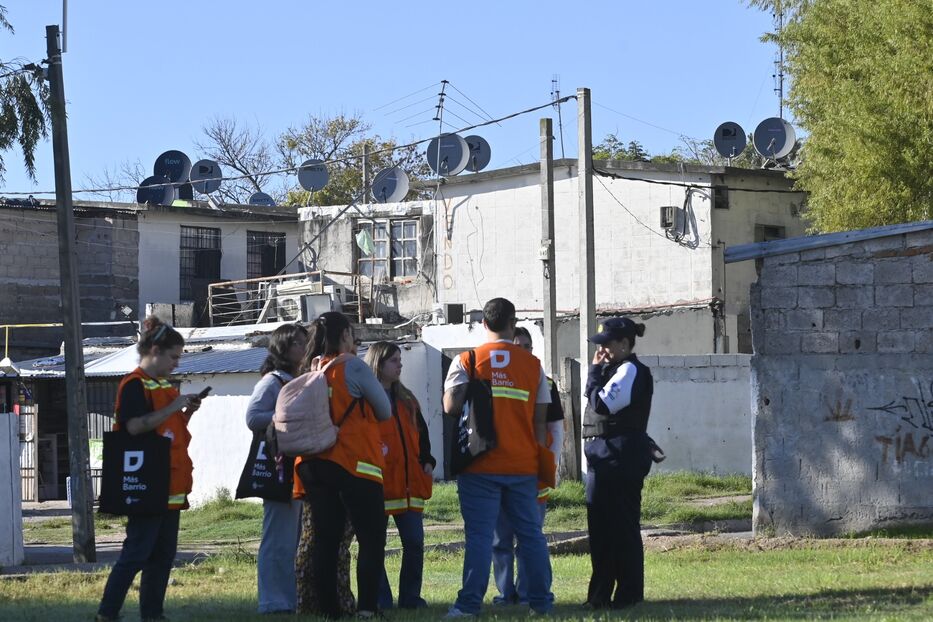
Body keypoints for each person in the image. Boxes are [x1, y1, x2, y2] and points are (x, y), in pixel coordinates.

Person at [442, 298, 553, 617]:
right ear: (513, 324)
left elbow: (449, 408)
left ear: (484, 324)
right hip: (522, 465)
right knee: (531, 535)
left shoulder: (467, 360)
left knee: (479, 536)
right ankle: (541, 604)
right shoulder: (533, 366)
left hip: (479, 465)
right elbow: (540, 421)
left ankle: (468, 605)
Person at [97, 317, 202, 622]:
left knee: (162, 557)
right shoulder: (134, 384)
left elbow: (167, 432)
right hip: (147, 482)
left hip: (170, 485)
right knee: (136, 554)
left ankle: (153, 614)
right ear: (155, 350)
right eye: (173, 357)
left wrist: (186, 412)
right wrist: (173, 407)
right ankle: (107, 613)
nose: (176, 364)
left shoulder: (163, 387)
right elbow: (134, 427)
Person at [296, 312, 392, 619]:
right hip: (354, 461)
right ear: (345, 336)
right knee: (371, 537)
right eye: (352, 334)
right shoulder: (353, 366)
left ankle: (329, 610)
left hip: (312, 463)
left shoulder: (310, 369)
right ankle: (366, 608)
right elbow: (385, 410)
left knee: (326, 539)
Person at [582, 317, 654, 609]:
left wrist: (594, 372)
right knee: (601, 529)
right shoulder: (615, 369)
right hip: (605, 456)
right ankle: (600, 596)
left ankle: (628, 595)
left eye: (608, 345)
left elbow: (602, 404)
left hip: (619, 457)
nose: (602, 351)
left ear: (624, 344)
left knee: (621, 528)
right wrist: (599, 371)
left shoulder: (630, 370)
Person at [491, 325, 564, 607]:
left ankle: (528, 593)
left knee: (530, 536)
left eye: (526, 347)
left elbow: (556, 429)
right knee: (501, 539)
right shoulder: (497, 380)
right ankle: (504, 592)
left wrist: (550, 462)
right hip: (500, 468)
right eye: (516, 347)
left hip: (532, 471)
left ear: (533, 351)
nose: (521, 352)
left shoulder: (543, 381)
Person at [364, 341, 435, 610]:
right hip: (378, 485)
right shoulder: (366, 399)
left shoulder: (408, 399)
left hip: (409, 486)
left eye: (399, 360)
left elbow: (423, 434)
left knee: (415, 544)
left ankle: (411, 598)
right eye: (394, 360)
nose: (400, 365)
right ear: (378, 364)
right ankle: (382, 599)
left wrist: (427, 461)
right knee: (375, 547)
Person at [295, 335, 363, 616]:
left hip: (314, 466)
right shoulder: (342, 375)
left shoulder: (307, 376)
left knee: (318, 542)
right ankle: (331, 604)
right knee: (328, 544)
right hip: (336, 465)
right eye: (351, 341)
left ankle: (316, 603)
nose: (354, 349)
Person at [245, 323, 307, 614]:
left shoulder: (298, 378)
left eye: (304, 342)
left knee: (294, 539)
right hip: (277, 467)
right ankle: (272, 601)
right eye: (297, 343)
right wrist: (286, 416)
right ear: (283, 347)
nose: (303, 348)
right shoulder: (272, 381)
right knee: (277, 539)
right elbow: (253, 417)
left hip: (298, 466)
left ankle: (291, 598)